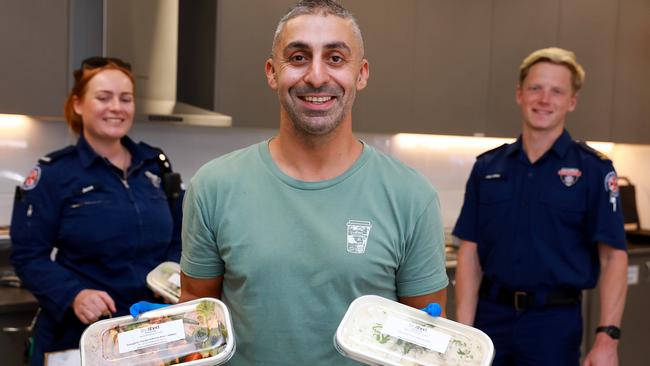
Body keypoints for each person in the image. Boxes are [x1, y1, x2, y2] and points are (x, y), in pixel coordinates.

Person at [176, 1, 448, 364]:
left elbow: (425, 342)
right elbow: (198, 320)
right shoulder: (213, 186)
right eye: (299, 57)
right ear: (272, 72)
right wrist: (155, 336)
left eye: (335, 58)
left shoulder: (411, 197)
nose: (317, 76)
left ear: (361, 74)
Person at [453, 47, 628, 366]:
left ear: (571, 102)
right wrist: (465, 331)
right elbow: (470, 251)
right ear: (520, 94)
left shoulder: (594, 170)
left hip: (554, 324)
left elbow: (614, 256)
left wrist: (607, 338)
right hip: (489, 319)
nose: (544, 99)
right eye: (535, 88)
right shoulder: (488, 167)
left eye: (557, 91)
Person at [10, 56, 183, 365]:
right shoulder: (55, 173)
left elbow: (182, 237)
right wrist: (73, 294)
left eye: (125, 98)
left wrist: (170, 279)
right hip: (82, 335)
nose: (116, 107)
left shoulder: (156, 166)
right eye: (103, 98)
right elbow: (28, 255)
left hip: (152, 332)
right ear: (78, 104)